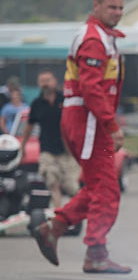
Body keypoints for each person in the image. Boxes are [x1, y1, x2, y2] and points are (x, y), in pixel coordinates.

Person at [32, 0, 131, 274]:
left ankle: (55, 227)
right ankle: (96, 253)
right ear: (96, 6)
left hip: (86, 121)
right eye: (112, 7)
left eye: (121, 7)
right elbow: (90, 88)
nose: (117, 12)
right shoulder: (93, 39)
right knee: (108, 191)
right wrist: (112, 126)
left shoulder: (102, 37)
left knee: (97, 188)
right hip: (88, 123)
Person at [20, 70, 80, 208]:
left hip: (68, 151)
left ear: (55, 82)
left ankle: (76, 216)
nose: (45, 84)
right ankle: (58, 215)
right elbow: (29, 126)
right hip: (47, 150)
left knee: (72, 187)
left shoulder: (65, 99)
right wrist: (23, 147)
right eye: (42, 81)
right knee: (52, 183)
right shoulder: (37, 103)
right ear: (38, 84)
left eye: (48, 80)